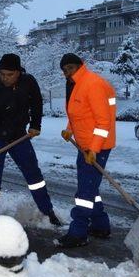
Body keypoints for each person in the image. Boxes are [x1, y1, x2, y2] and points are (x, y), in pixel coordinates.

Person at [0, 53, 61, 235]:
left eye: (9, 75)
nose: (5, 78)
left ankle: (48, 211)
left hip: (18, 136)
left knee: (34, 175)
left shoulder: (28, 82)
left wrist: (35, 124)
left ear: (18, 72)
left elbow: (37, 102)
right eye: (2, 74)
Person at [57, 53, 116, 248]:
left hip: (96, 146)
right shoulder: (76, 84)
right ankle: (100, 225)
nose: (67, 73)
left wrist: (94, 149)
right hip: (85, 145)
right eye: (64, 70)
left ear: (80, 66)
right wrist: (69, 129)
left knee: (84, 191)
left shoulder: (92, 83)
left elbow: (103, 121)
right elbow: (79, 114)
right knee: (91, 188)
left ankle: (78, 232)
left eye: (70, 68)